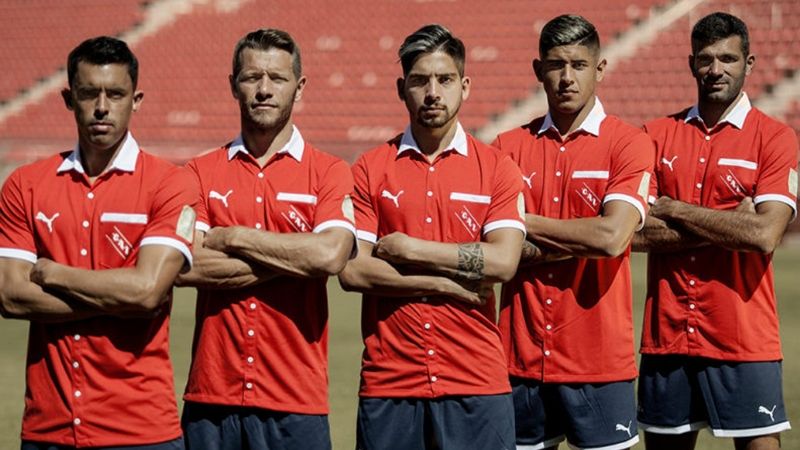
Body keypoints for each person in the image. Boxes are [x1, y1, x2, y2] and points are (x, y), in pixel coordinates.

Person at [0, 36, 196, 449]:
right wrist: (116, 296)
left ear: (136, 99)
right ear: (69, 99)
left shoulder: (170, 183)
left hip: (142, 433)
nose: (102, 106)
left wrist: (54, 274)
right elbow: (10, 295)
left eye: (116, 94)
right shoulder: (24, 184)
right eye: (89, 93)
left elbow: (146, 293)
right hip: (47, 430)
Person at [337, 24, 526, 450]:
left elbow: (502, 262)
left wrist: (410, 249)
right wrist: (438, 282)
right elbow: (352, 270)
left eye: (444, 80)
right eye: (420, 81)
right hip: (390, 381)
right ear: (402, 88)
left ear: (465, 86)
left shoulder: (497, 168)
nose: (433, 93)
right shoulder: (370, 168)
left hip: (476, 379)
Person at [176, 29, 356, 450]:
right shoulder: (198, 172)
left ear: (300, 86)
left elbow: (329, 256)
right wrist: (293, 256)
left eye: (277, 78)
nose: (263, 89)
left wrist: (231, 236)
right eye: (251, 77)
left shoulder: (329, 172)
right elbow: (186, 266)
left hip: (297, 399)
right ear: (232, 85)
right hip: (210, 398)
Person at [633, 12, 796, 450]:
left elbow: (765, 235)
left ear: (750, 63)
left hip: (745, 339)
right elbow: (632, 235)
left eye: (728, 58)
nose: (716, 69)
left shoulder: (776, 139)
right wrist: (731, 222)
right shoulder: (655, 134)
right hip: (666, 340)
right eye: (706, 59)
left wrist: (676, 209)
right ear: (691, 64)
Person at [493, 14, 654, 450]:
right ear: (538, 70)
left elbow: (611, 238)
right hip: (517, 360)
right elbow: (489, 249)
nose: (567, 77)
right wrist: (579, 234)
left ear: (600, 69)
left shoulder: (629, 143)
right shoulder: (505, 148)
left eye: (579, 65)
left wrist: (522, 223)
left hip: (599, 364)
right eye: (556, 65)